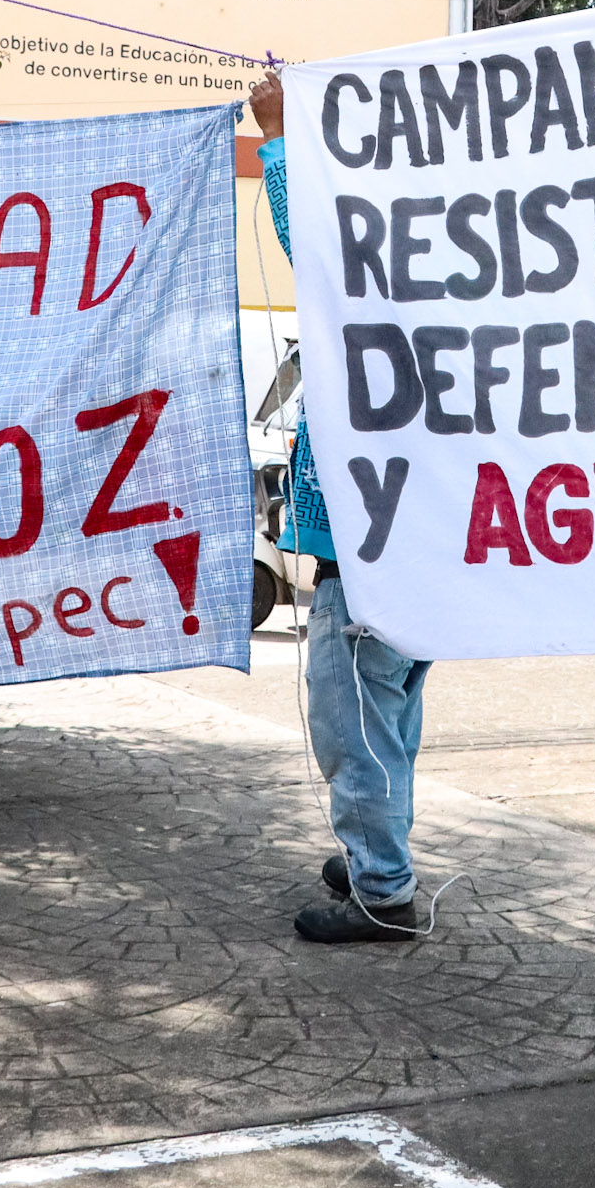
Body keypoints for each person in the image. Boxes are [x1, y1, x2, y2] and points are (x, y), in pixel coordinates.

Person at [250, 69, 435, 944]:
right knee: (388, 723)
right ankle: (378, 855)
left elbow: (312, 241)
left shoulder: (373, 297)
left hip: (363, 567)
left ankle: (383, 893)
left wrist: (280, 133)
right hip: (416, 559)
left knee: (355, 732)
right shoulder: (457, 302)